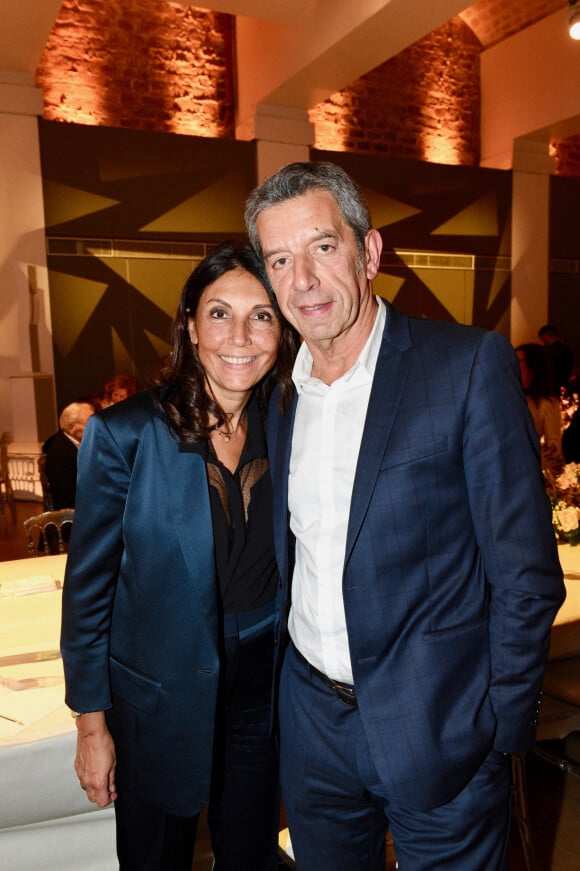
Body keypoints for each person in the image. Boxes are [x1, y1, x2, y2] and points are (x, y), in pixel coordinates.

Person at [244, 161, 566, 871]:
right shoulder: (280, 398)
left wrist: (498, 728)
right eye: (280, 259)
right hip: (312, 730)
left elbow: (528, 575)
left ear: (370, 252)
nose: (302, 279)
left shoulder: (465, 366)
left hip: (441, 729)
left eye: (323, 247)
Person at [60, 242, 297, 871]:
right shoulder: (126, 434)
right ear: (191, 325)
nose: (240, 335)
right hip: (157, 700)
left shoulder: (289, 424)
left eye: (263, 315)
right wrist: (91, 727)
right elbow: (87, 593)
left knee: (249, 853)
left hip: (261, 690)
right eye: (220, 313)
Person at [515, 342, 564, 476]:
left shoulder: (546, 403)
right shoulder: (508, 396)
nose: (513, 364)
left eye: (518, 360)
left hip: (527, 474)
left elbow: (553, 450)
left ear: (533, 366)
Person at [43, 401, 95, 508]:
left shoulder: (73, 443)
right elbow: (67, 497)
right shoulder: (61, 453)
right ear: (71, 428)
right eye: (90, 424)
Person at [538, 324, 575, 396]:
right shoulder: (568, 350)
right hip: (565, 387)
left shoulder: (548, 353)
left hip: (552, 389)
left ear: (545, 335)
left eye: (542, 338)